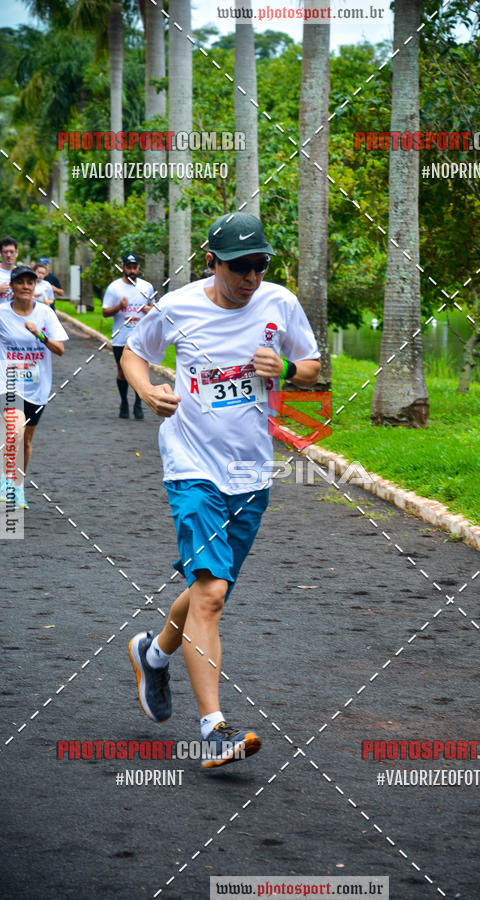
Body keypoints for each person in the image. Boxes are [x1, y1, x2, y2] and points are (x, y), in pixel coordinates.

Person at [122, 213, 321, 768]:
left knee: (214, 587)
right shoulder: (179, 306)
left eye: (260, 266)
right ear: (212, 262)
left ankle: (154, 654)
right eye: (240, 267)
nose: (252, 277)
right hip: (190, 462)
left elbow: (311, 367)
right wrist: (147, 388)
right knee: (209, 593)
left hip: (251, 471)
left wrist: (283, 366)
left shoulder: (279, 303)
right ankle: (214, 728)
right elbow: (132, 352)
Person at [0, 266, 68, 509]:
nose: (26, 286)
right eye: (20, 282)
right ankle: (5, 480)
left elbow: (60, 349)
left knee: (26, 439)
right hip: (8, 382)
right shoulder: (2, 313)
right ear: (13, 286)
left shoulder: (46, 314)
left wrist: (39, 335)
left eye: (30, 282)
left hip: (37, 386)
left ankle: (17, 486)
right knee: (15, 430)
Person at [102, 253, 154, 419]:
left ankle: (138, 404)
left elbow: (154, 307)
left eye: (135, 267)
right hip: (120, 337)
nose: (132, 270)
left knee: (141, 372)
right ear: (123, 267)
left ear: (138, 268)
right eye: (129, 267)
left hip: (141, 337)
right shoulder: (114, 288)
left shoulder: (147, 287)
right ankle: (124, 402)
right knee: (122, 372)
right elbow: (105, 312)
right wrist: (119, 306)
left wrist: (150, 309)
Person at [0, 237, 18, 304]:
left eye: (11, 252)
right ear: (0, 253)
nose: (9, 255)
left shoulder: (21, 272)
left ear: (16, 252)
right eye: (5, 252)